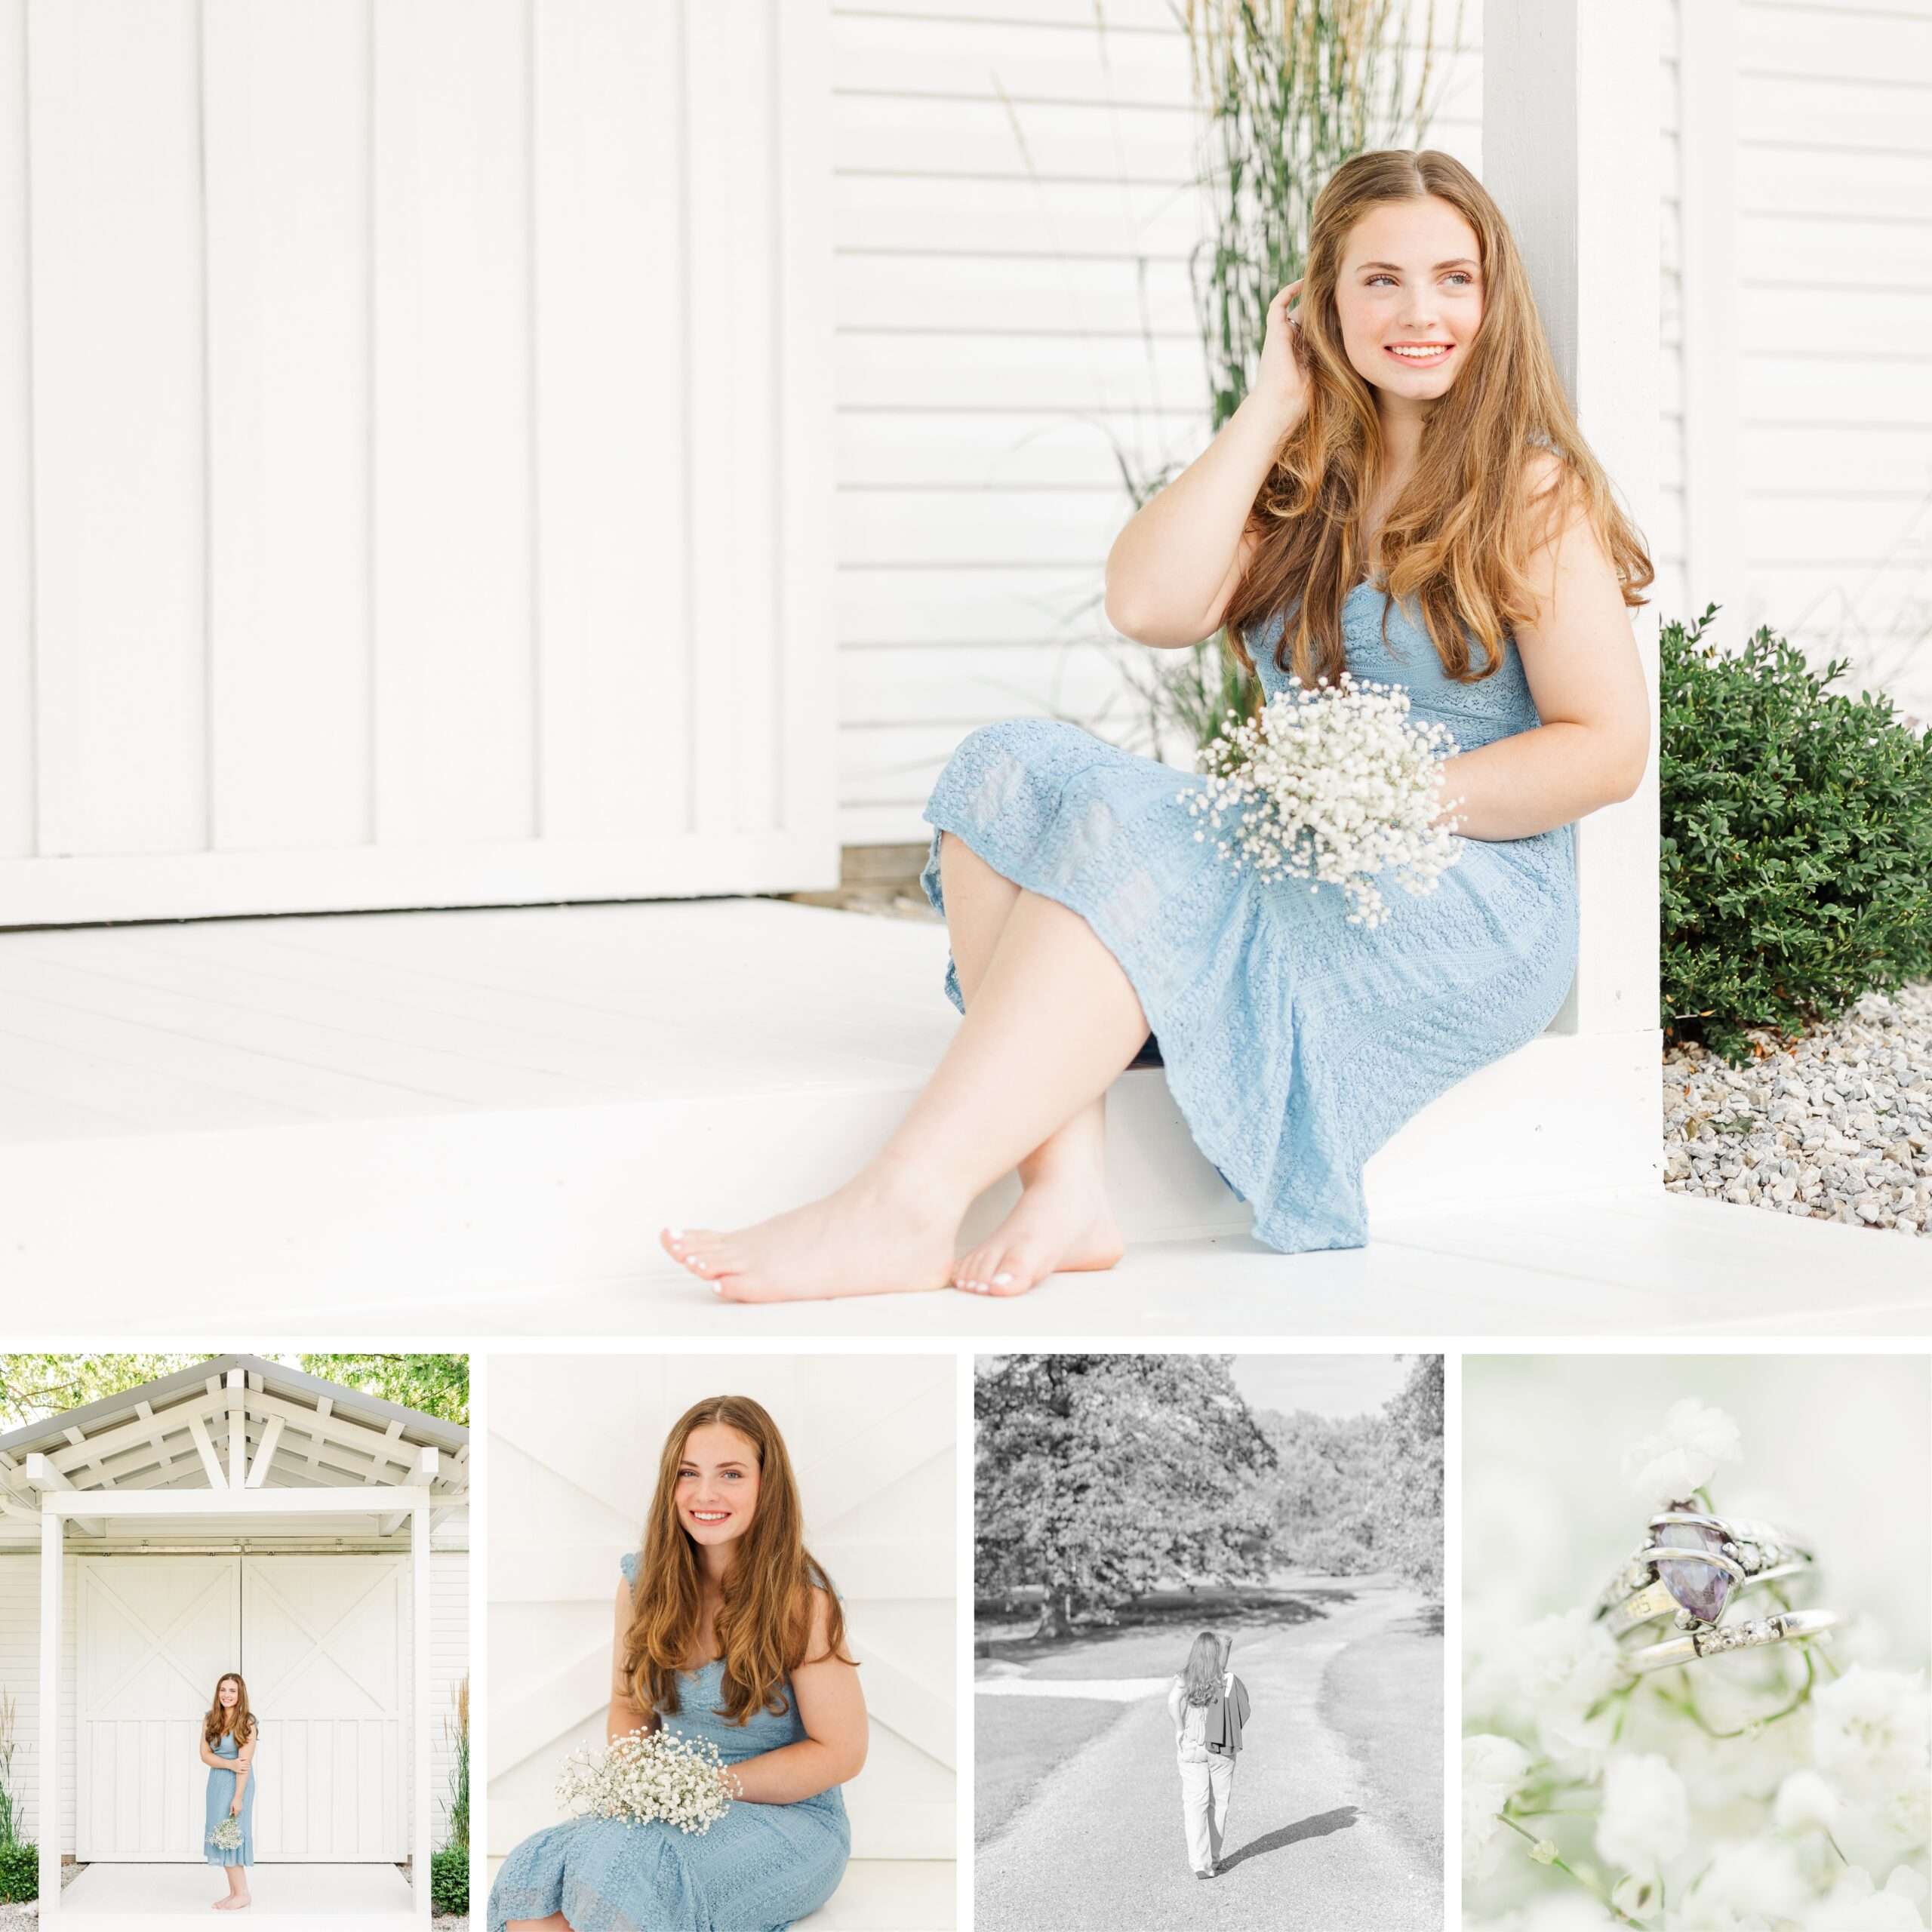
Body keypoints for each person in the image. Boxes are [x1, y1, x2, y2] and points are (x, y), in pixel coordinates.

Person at [660, 145, 1651, 1300]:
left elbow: (1607, 748)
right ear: (1324, 302)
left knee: (1158, 836)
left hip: (1464, 892)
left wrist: (1376, 802)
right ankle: (1065, 1185)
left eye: (1453, 279)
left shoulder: (1533, 496)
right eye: (1379, 280)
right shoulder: (1298, 478)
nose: (1419, 312)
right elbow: (1148, 603)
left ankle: (904, 1203)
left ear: (1494, 302)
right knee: (1005, 770)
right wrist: (1274, 404)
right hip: (1294, 844)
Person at [491, 1395, 866, 1932]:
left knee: (633, 1869)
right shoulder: (642, 1585)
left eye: (731, 1474)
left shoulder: (801, 1601)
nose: (705, 1494)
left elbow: (842, 1752)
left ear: (768, 1485)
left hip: (793, 1822)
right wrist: (641, 1787)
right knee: (539, 1865)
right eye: (688, 1473)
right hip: (673, 1810)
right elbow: (629, 1708)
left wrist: (706, 1787)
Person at [1168, 1632, 1251, 1878]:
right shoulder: (1222, 1678)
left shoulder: (1185, 1677)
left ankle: (1200, 1864)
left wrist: (1179, 1729)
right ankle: (1213, 1860)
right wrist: (1226, 1646)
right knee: (1219, 1803)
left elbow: (1173, 1702)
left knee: (1195, 1804)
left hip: (1193, 1744)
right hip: (1221, 1746)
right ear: (1216, 1654)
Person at [199, 1672, 257, 1911]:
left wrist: (238, 1797)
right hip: (217, 1781)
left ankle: (242, 1894)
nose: (227, 1694)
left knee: (231, 1835)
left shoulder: (248, 1722)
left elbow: (243, 1765)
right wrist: (227, 1763)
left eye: (232, 1690)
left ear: (240, 1693)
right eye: (223, 1690)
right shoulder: (209, 1718)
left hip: (238, 1783)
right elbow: (205, 1756)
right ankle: (234, 1891)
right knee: (220, 1835)